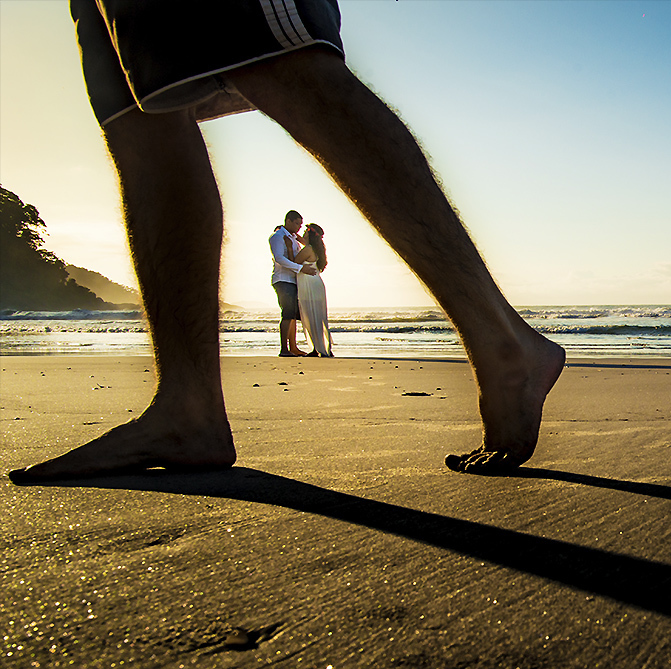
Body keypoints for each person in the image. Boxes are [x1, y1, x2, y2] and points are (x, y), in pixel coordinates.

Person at [8, 0, 564, 483]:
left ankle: (503, 342)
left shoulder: (290, 237)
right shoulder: (286, 238)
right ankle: (188, 407)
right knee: (140, 116)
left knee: (276, 56)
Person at [270, 211, 316, 357]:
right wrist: (301, 268)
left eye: (300, 224)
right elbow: (279, 258)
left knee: (293, 315)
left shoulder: (293, 238)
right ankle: (284, 349)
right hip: (283, 279)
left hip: (293, 280)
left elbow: (307, 246)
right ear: (288, 221)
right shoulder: (277, 236)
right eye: (296, 223)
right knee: (287, 313)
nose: (298, 227)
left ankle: (293, 347)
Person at [295, 222, 333, 357]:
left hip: (308, 284)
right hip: (317, 284)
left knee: (310, 316)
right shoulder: (318, 249)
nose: (303, 235)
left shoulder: (308, 249)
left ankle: (317, 348)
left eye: (305, 233)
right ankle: (324, 347)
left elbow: (295, 261)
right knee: (320, 317)